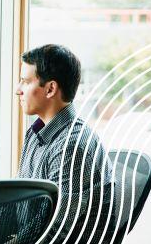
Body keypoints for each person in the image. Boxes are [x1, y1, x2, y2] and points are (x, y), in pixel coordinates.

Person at [16, 44, 115, 243]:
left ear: (51, 88)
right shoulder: (36, 133)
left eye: (25, 82)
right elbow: (18, 198)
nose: (18, 90)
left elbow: (57, 232)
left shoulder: (72, 148)